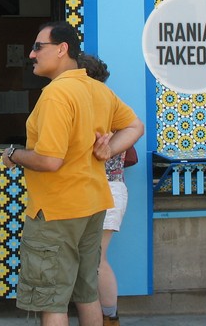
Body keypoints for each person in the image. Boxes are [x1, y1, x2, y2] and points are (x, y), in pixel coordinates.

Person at [1, 21, 144, 326]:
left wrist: (13, 154)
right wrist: (110, 149)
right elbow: (135, 126)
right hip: (92, 204)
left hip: (57, 211)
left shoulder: (56, 95)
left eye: (39, 47)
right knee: (86, 293)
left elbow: (51, 160)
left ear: (62, 49)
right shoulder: (98, 90)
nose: (31, 54)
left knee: (52, 301)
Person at [79, 53, 131, 326]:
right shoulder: (111, 103)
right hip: (110, 188)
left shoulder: (94, 105)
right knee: (95, 259)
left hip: (104, 189)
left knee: (96, 260)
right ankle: (105, 316)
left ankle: (109, 318)